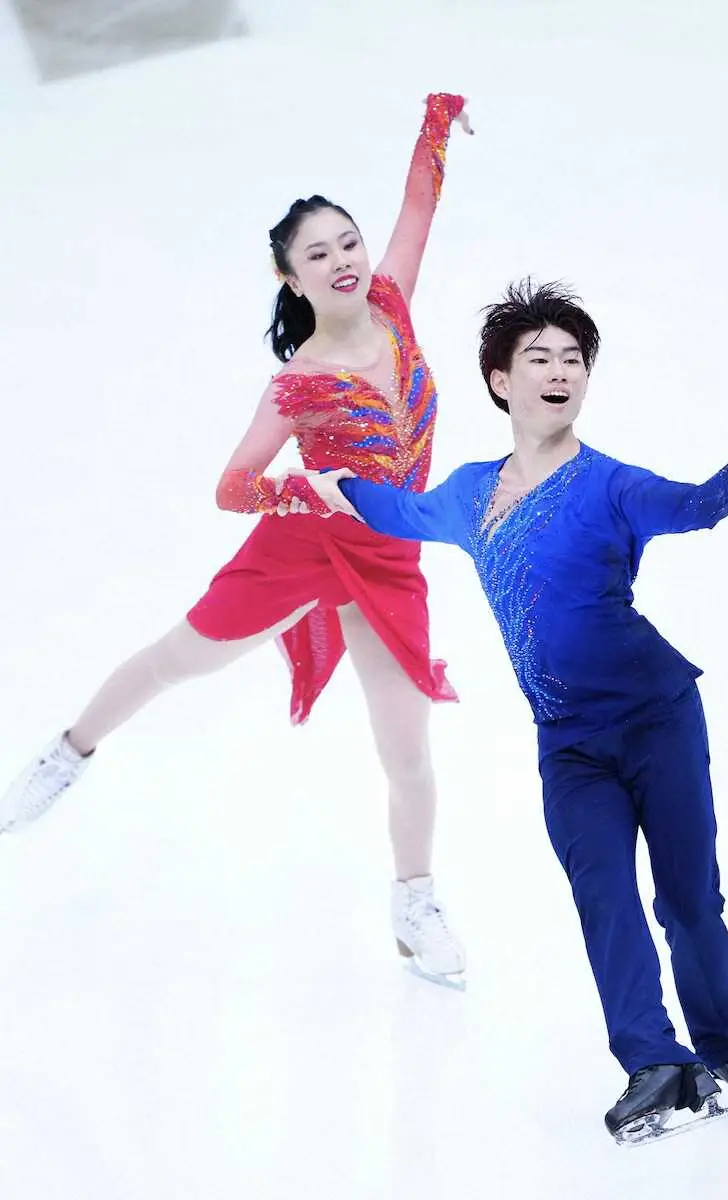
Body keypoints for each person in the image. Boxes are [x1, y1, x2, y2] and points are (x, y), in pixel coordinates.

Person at [0, 93, 473, 990]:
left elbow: (419, 206)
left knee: (406, 749)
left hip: (388, 559)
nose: (342, 259)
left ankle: (414, 905)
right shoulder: (297, 383)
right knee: (179, 660)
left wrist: (436, 120)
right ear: (291, 280)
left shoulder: (392, 303)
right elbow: (231, 488)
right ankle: (69, 751)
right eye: (317, 254)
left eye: (347, 243)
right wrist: (302, 489)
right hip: (300, 552)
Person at [304, 279, 728, 1139]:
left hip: (657, 718)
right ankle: (656, 1064)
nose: (559, 371)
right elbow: (400, 511)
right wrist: (330, 479)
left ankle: (723, 1040)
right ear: (501, 381)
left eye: (573, 359)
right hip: (568, 744)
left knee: (688, 899)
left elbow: (696, 507)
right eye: (539, 358)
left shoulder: (611, 485)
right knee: (603, 896)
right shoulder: (469, 493)